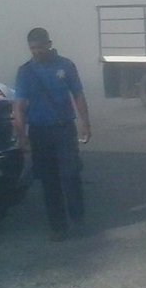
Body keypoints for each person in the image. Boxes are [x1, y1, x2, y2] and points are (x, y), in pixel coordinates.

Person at [13, 27, 92, 241]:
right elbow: (18, 107)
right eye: (32, 48)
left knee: (70, 175)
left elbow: (78, 95)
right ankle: (58, 227)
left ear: (49, 44)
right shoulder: (25, 72)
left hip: (64, 129)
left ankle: (77, 219)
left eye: (40, 47)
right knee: (49, 182)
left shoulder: (66, 66)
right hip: (39, 132)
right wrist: (22, 136)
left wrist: (85, 123)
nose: (36, 52)